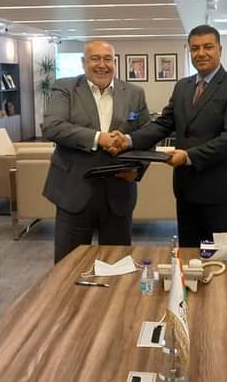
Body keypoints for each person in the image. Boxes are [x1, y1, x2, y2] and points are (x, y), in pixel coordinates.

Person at [112, 25, 227, 247]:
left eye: (208, 47)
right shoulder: (183, 87)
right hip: (187, 190)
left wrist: (188, 156)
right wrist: (128, 140)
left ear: (220, 49)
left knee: (226, 259)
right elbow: (163, 124)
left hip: (224, 193)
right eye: (195, 48)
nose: (201, 53)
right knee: (189, 255)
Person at [42, 40, 151, 262]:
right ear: (84, 62)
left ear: (115, 62)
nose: (102, 64)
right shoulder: (65, 88)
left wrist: (137, 169)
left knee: (117, 264)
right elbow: (52, 127)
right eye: (95, 59)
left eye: (107, 59)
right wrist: (98, 138)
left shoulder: (134, 93)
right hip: (74, 191)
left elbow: (148, 137)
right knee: (69, 265)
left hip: (119, 193)